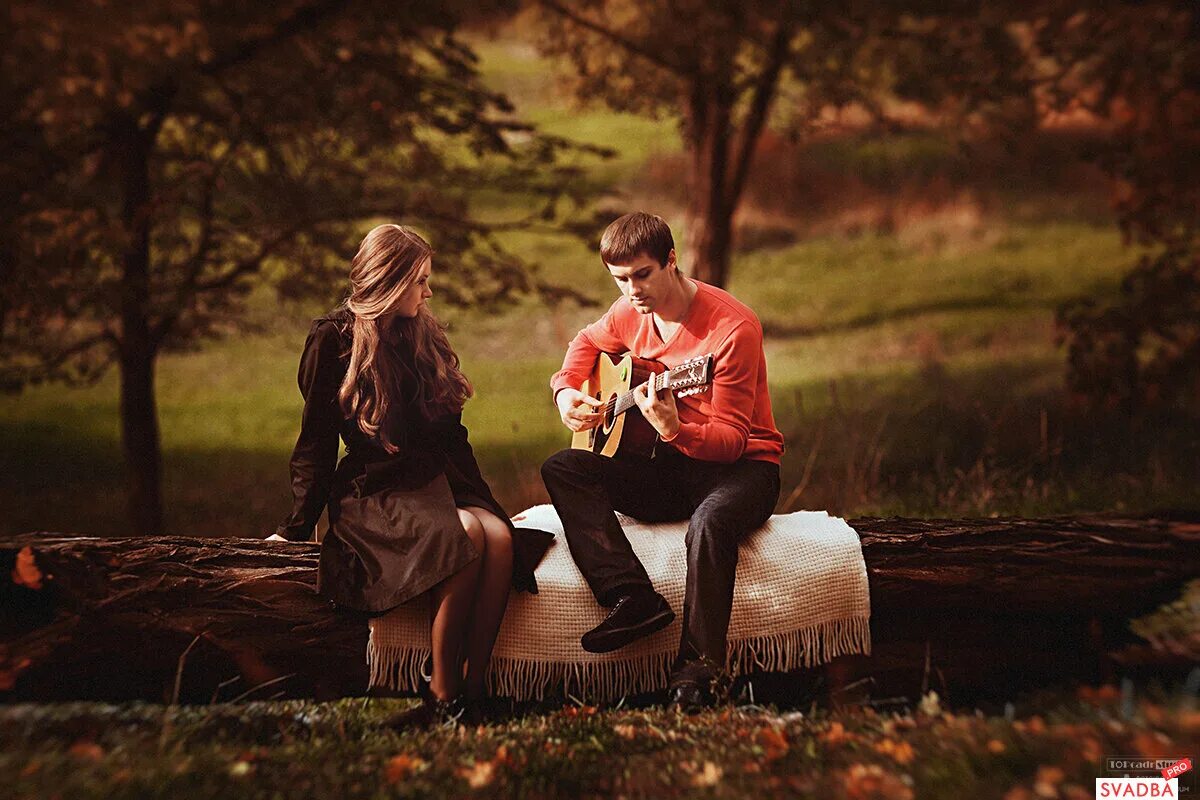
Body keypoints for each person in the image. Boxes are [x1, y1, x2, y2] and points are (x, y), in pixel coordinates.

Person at [271, 224, 552, 726]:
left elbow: (452, 438)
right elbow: (314, 444)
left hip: (432, 479)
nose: (428, 291)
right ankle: (441, 696)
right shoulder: (331, 339)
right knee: (464, 535)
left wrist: (489, 504)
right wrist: (296, 528)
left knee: (498, 538)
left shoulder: (421, 331)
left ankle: (474, 690)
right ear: (390, 280)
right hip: (373, 491)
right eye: (420, 281)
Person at [540, 212, 784, 710]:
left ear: (672, 261)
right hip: (671, 465)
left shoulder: (732, 327)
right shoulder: (631, 311)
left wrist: (674, 428)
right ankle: (632, 598)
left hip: (744, 470)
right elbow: (587, 342)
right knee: (563, 467)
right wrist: (566, 390)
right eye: (620, 279)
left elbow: (734, 441)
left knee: (710, 521)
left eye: (642, 275)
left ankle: (697, 675)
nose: (632, 290)